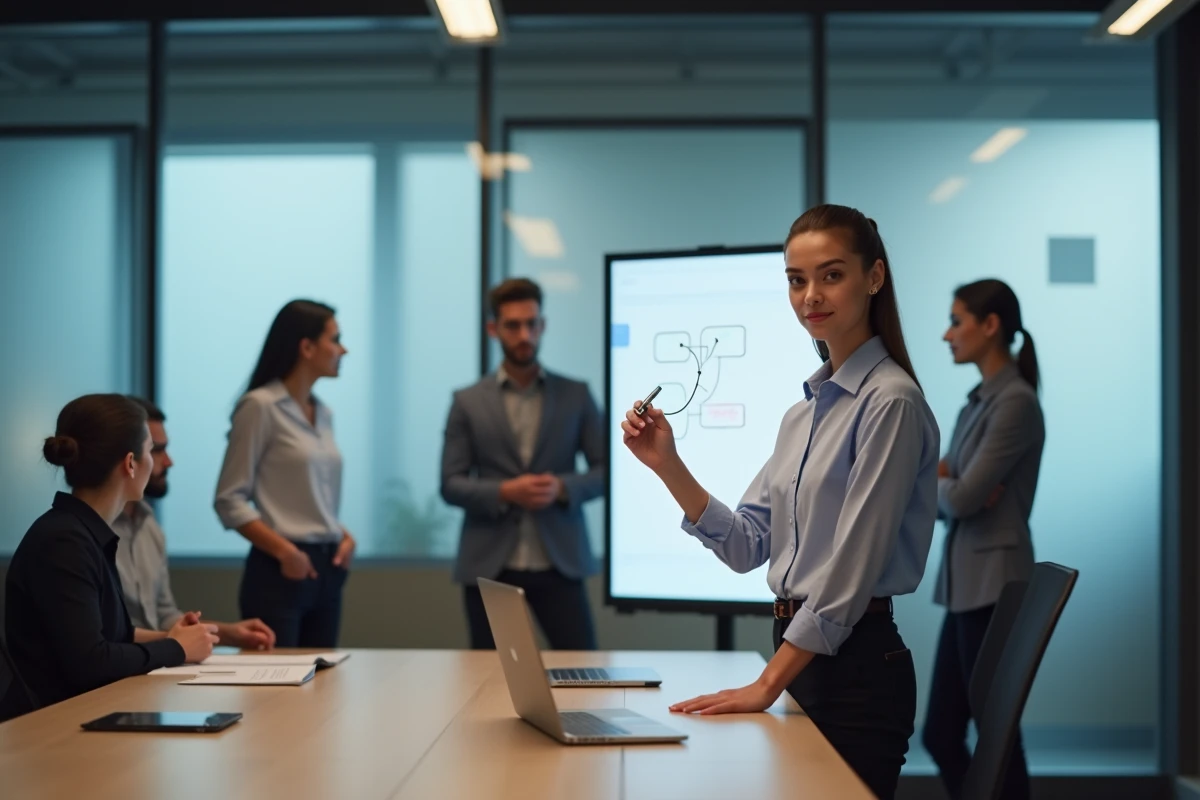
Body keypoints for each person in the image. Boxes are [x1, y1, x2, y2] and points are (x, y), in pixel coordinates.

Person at [621, 204, 939, 800]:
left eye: (831, 275)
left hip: (857, 676)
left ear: (874, 277)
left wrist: (767, 684)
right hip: (805, 666)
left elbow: (849, 575)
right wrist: (667, 462)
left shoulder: (890, 402)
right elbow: (746, 545)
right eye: (796, 280)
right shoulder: (804, 414)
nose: (810, 296)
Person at [5, 394, 218, 708]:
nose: (161, 461)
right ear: (130, 463)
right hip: (52, 726)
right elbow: (90, 661)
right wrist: (176, 648)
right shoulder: (64, 541)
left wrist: (170, 637)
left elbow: (111, 633)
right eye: (150, 451)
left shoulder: (83, 533)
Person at [922, 279, 1044, 800]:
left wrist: (946, 483)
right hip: (967, 584)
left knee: (994, 736)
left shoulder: (1014, 403)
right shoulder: (977, 403)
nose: (947, 334)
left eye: (957, 320)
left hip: (994, 587)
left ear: (990, 325)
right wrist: (951, 483)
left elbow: (960, 495)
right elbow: (952, 484)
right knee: (941, 734)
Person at [441, 278, 605, 651]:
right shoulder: (467, 401)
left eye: (532, 324)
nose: (524, 334)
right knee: (486, 678)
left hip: (559, 559)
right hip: (489, 563)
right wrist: (505, 491)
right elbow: (450, 483)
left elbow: (606, 472)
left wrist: (562, 488)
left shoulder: (575, 394)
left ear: (542, 326)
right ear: (493, 329)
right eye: (513, 325)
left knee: (582, 669)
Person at [214, 299, 355, 649]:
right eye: (335, 339)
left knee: (324, 690)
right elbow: (228, 499)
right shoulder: (259, 407)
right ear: (306, 347)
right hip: (279, 570)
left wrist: (341, 534)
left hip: (327, 569)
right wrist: (285, 552)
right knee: (276, 696)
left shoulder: (324, 413)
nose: (344, 349)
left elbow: (307, 496)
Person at [113, 397, 276, 650]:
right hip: (119, 672)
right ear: (129, 458)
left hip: (152, 666)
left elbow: (163, 616)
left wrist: (227, 633)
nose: (168, 461)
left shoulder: (149, 526)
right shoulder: (86, 536)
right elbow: (101, 637)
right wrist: (175, 643)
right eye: (155, 450)